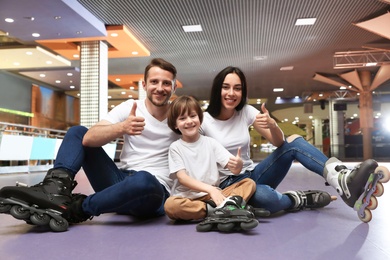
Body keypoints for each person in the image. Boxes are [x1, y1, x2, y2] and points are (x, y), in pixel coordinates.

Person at [0, 58, 180, 231]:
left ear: (173, 87)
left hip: (153, 191)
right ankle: (54, 188)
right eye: (154, 82)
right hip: (118, 182)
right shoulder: (130, 107)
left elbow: (207, 139)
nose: (159, 88)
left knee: (143, 179)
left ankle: (76, 209)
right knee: (78, 132)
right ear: (144, 84)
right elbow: (89, 138)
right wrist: (122, 128)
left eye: (166, 83)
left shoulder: (180, 115)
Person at [200, 66, 386, 219]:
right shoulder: (203, 121)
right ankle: (301, 198)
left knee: (293, 142)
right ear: (218, 89)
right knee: (267, 199)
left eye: (237, 88)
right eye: (226, 87)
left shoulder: (246, 111)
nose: (231, 93)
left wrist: (273, 125)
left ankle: (341, 178)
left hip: (253, 174)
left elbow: (280, 142)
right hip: (228, 185)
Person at [164, 95, 260, 232]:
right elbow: (182, 178)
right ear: (175, 124)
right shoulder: (175, 147)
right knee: (171, 205)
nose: (189, 121)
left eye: (192, 116)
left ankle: (221, 210)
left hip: (216, 195)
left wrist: (237, 165)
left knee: (249, 183)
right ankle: (223, 209)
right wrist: (210, 189)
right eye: (182, 118)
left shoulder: (211, 143)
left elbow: (234, 170)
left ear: (200, 118)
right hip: (190, 199)